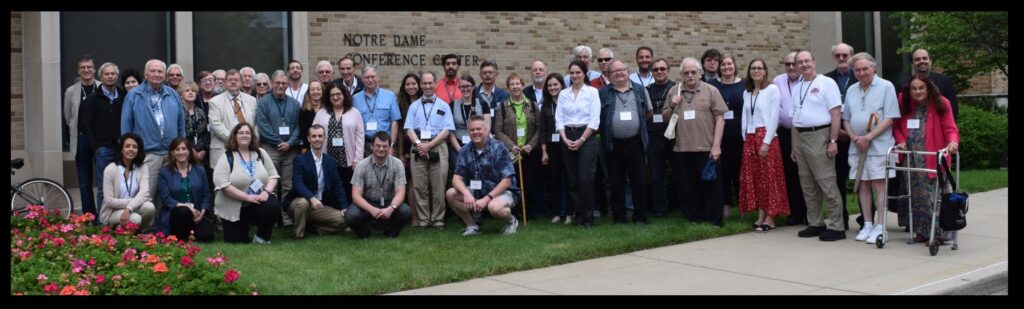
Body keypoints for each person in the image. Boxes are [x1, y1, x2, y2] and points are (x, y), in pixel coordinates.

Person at [893, 75, 960, 243]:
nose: (917, 92)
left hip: (933, 158)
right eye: (914, 89)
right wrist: (900, 141)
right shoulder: (905, 103)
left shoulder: (942, 103)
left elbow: (951, 128)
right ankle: (921, 232)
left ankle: (939, 234)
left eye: (921, 88)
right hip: (911, 159)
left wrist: (952, 142)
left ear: (929, 88)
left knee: (933, 199)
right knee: (916, 198)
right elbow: (896, 126)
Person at [842, 52, 900, 244]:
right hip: (857, 146)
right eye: (857, 70)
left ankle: (881, 226)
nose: (861, 72)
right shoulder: (851, 90)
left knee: (879, 185)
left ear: (873, 68)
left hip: (879, 146)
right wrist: (854, 137)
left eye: (865, 69)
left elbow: (890, 117)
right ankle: (867, 223)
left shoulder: (886, 86)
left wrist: (868, 137)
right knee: (863, 185)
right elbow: (846, 119)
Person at [662, 57, 727, 227]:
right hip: (682, 148)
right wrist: (672, 103)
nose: (690, 75)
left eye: (693, 72)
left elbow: (720, 119)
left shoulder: (711, 90)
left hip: (706, 147)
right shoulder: (673, 91)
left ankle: (714, 220)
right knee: (688, 187)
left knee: (711, 185)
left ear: (700, 73)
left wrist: (716, 146)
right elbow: (665, 118)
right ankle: (694, 218)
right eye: (686, 73)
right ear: (681, 75)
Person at [789, 51, 846, 241]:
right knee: (807, 182)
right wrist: (794, 146)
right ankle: (816, 222)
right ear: (796, 65)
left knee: (826, 181)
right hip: (801, 136)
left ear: (814, 62)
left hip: (820, 134)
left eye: (807, 61)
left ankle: (837, 226)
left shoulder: (826, 83)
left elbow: (836, 114)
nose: (804, 65)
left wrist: (832, 141)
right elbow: (794, 119)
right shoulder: (797, 87)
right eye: (800, 62)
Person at [121, 59, 186, 219]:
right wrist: (130, 153)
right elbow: (126, 127)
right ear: (145, 73)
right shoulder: (134, 95)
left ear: (164, 75)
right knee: (146, 196)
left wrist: (181, 149)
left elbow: (180, 125)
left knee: (169, 194)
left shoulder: (173, 95)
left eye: (160, 71)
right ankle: (145, 232)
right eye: (153, 71)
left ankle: (165, 228)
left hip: (171, 154)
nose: (157, 74)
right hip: (147, 154)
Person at [447, 115, 521, 236]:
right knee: (451, 194)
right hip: (478, 190)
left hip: (503, 192)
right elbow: (456, 178)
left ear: (486, 130)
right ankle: (472, 226)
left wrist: (486, 199)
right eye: (472, 130)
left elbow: (507, 180)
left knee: (494, 207)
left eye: (478, 129)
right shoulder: (465, 150)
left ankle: (512, 221)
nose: (475, 132)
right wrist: (466, 194)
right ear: (468, 132)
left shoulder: (499, 148)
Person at [598, 60, 652, 225]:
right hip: (613, 144)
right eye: (615, 71)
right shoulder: (603, 93)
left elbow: (648, 113)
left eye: (622, 70)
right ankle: (619, 218)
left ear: (628, 71)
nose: (619, 73)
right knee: (616, 182)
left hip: (636, 142)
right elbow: (598, 117)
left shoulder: (640, 90)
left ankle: (640, 217)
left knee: (639, 181)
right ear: (609, 74)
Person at [738, 58, 789, 231]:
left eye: (759, 68)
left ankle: (771, 217)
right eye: (753, 68)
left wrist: (766, 142)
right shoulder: (747, 92)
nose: (756, 71)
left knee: (769, 178)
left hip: (765, 136)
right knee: (757, 178)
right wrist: (745, 138)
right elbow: (745, 117)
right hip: (750, 137)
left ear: (765, 71)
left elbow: (774, 117)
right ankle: (761, 215)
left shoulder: (772, 89)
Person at [212, 123, 281, 244]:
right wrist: (247, 197)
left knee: (272, 204)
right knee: (237, 241)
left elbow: (273, 176)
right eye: (241, 132)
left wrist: (266, 192)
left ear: (252, 136)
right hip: (234, 207)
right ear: (235, 136)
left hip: (257, 202)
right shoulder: (226, 156)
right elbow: (222, 184)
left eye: (247, 133)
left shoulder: (260, 153)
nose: (244, 135)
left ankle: (261, 237)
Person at [404, 71, 455, 229]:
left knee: (438, 186)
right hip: (418, 148)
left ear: (435, 84)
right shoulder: (414, 106)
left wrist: (430, 144)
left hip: (438, 146)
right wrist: (420, 144)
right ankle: (423, 220)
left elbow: (447, 130)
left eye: (429, 83)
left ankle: (438, 220)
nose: (427, 86)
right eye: (424, 83)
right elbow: (409, 129)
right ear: (421, 85)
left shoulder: (444, 106)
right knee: (420, 186)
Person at [283, 124, 350, 239]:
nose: (317, 139)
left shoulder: (330, 161)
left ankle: (313, 228)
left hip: (318, 206)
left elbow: (338, 185)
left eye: (320, 136)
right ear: (309, 139)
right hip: (298, 203)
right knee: (303, 202)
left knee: (344, 220)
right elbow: (297, 183)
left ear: (324, 138)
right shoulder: (300, 159)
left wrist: (344, 207)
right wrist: (311, 198)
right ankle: (298, 235)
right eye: (314, 136)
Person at [556, 60, 601, 228]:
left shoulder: (592, 92)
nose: (575, 76)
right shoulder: (563, 94)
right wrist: (565, 138)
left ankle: (588, 218)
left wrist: (581, 140)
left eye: (578, 73)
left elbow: (594, 120)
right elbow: (559, 118)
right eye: (572, 73)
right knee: (573, 180)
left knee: (585, 179)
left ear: (584, 74)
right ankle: (579, 215)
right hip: (567, 135)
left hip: (587, 137)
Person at [79, 62, 125, 224]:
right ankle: (103, 222)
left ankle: (119, 221)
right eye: (107, 74)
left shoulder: (124, 96)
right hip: (103, 149)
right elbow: (86, 125)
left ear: (117, 76)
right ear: (101, 77)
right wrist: (96, 146)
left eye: (113, 73)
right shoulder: (92, 99)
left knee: (122, 186)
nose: (110, 76)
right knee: (103, 188)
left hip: (122, 149)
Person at [494, 73, 543, 219]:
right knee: (513, 183)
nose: (515, 87)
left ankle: (530, 212)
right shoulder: (502, 107)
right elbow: (497, 131)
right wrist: (511, 146)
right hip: (511, 153)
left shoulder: (532, 105)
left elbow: (539, 128)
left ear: (522, 85)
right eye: (512, 84)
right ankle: (513, 211)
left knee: (530, 183)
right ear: (508, 88)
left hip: (529, 151)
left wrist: (531, 145)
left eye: (518, 84)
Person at [346, 132, 413, 238]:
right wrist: (371, 209)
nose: (381, 149)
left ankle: (391, 231)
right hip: (368, 202)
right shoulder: (361, 166)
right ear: (372, 146)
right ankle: (364, 233)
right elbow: (355, 196)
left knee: (406, 211)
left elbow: (400, 193)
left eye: (385, 146)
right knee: (351, 215)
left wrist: (391, 208)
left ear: (389, 147)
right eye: (378, 146)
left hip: (388, 201)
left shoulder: (397, 164)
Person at [825, 43, 858, 231]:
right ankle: (841, 218)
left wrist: (851, 131)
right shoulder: (826, 79)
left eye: (845, 55)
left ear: (851, 56)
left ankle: (866, 219)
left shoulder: (860, 75)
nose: (841, 58)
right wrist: (836, 131)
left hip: (858, 135)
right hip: (835, 136)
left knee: (864, 178)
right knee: (837, 180)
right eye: (837, 55)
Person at [773, 51, 808, 226]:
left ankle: (810, 213)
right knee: (790, 174)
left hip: (806, 132)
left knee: (808, 174)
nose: (792, 67)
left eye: (794, 63)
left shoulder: (809, 81)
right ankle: (794, 213)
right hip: (785, 133)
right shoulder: (777, 81)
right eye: (788, 64)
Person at [708, 53, 745, 219]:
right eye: (723, 64)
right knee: (723, 173)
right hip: (719, 136)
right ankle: (726, 206)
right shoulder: (711, 85)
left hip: (739, 136)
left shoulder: (744, 85)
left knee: (740, 172)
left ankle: (743, 206)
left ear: (735, 66)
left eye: (729, 64)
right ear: (718, 67)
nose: (726, 67)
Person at [156, 137, 214, 242]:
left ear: (189, 151)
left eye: (184, 149)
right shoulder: (164, 172)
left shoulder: (200, 170)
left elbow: (206, 194)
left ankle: (187, 234)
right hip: (175, 214)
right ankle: (180, 237)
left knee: (206, 236)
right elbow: (166, 199)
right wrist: (188, 208)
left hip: (196, 214)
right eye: (177, 149)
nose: (181, 152)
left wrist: (202, 212)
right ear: (172, 153)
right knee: (184, 212)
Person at [256, 70, 302, 199]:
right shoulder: (263, 103)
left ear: (287, 84)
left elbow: (299, 126)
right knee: (271, 186)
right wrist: (278, 142)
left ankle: (286, 219)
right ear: (272, 83)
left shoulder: (295, 104)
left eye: (284, 83)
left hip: (290, 151)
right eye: (278, 82)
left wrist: (289, 143)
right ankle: (273, 219)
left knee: (288, 186)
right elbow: (263, 126)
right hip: (271, 150)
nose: (281, 86)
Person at [313, 82, 365, 195]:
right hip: (326, 160)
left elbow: (360, 137)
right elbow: (314, 136)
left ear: (344, 95)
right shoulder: (321, 113)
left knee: (347, 190)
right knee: (329, 191)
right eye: (332, 95)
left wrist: (358, 159)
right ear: (328, 97)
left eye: (338, 94)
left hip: (349, 162)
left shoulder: (354, 113)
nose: (335, 97)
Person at [65, 55, 98, 224]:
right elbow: (68, 116)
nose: (86, 70)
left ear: (94, 69)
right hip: (82, 140)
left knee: (103, 180)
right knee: (84, 182)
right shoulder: (71, 91)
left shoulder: (102, 87)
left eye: (89, 67)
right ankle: (90, 217)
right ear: (79, 71)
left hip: (101, 141)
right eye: (83, 67)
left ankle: (104, 218)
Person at [99, 133, 156, 229]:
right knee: (135, 218)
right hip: (112, 212)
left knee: (149, 207)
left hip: (132, 208)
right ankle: (120, 232)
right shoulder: (110, 169)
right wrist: (134, 201)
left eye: (135, 147)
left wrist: (129, 208)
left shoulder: (142, 167)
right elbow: (109, 201)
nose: (131, 149)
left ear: (138, 150)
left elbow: (144, 192)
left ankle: (136, 233)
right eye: (127, 146)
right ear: (121, 149)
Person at [208, 69, 258, 172]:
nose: (233, 82)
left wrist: (252, 141)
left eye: (236, 80)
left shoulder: (252, 100)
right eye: (230, 80)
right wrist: (236, 140)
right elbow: (216, 124)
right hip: (224, 148)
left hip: (248, 149)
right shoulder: (215, 101)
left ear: (241, 82)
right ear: (225, 83)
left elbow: (256, 124)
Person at [645, 58, 676, 218]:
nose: (659, 72)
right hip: (653, 138)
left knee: (679, 174)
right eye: (655, 69)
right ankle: (660, 211)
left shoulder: (677, 88)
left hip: (673, 136)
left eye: (662, 69)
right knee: (657, 176)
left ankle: (683, 206)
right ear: (652, 72)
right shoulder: (646, 89)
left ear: (668, 70)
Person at [540, 73, 571, 224]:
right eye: (550, 85)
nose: (552, 88)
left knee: (568, 179)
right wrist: (544, 152)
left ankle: (569, 213)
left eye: (555, 84)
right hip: (551, 148)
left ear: (561, 85)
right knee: (554, 180)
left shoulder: (567, 101)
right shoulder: (545, 105)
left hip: (567, 145)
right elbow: (543, 131)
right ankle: (558, 213)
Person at [353, 65, 402, 156]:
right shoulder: (355, 99)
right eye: (367, 77)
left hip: (384, 144)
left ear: (378, 77)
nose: (370, 80)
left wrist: (391, 145)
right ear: (362, 79)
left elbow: (394, 122)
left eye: (373, 77)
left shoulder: (390, 96)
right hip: (364, 145)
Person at [448, 75, 491, 156]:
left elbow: (487, 127)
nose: (465, 89)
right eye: (462, 87)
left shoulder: (483, 104)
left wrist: (479, 146)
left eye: (468, 86)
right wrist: (459, 150)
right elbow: (450, 131)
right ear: (459, 88)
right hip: (458, 146)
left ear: (473, 86)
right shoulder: (452, 105)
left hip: (479, 146)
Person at [178, 81, 210, 176]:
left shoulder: (201, 111)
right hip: (183, 153)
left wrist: (204, 150)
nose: (191, 92)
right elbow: (178, 133)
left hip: (201, 155)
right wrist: (191, 150)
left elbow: (206, 133)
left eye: (193, 90)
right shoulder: (178, 112)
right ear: (181, 94)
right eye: (187, 90)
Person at [298, 80, 325, 154]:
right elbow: (303, 131)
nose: (315, 92)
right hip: (309, 148)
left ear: (322, 91)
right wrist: (304, 147)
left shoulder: (328, 109)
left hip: (326, 147)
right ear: (309, 93)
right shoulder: (304, 110)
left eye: (318, 89)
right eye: (312, 90)